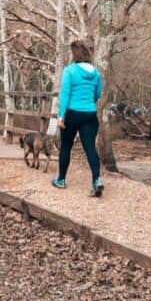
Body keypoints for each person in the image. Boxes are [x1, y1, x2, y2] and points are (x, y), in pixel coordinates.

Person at [52, 39, 103, 196]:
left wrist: (61, 116)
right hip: (90, 115)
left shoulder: (70, 71)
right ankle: (97, 180)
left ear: (74, 54)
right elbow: (97, 94)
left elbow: (65, 94)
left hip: (72, 114)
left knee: (66, 147)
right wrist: (88, 105)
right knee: (90, 148)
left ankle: (60, 179)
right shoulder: (96, 73)